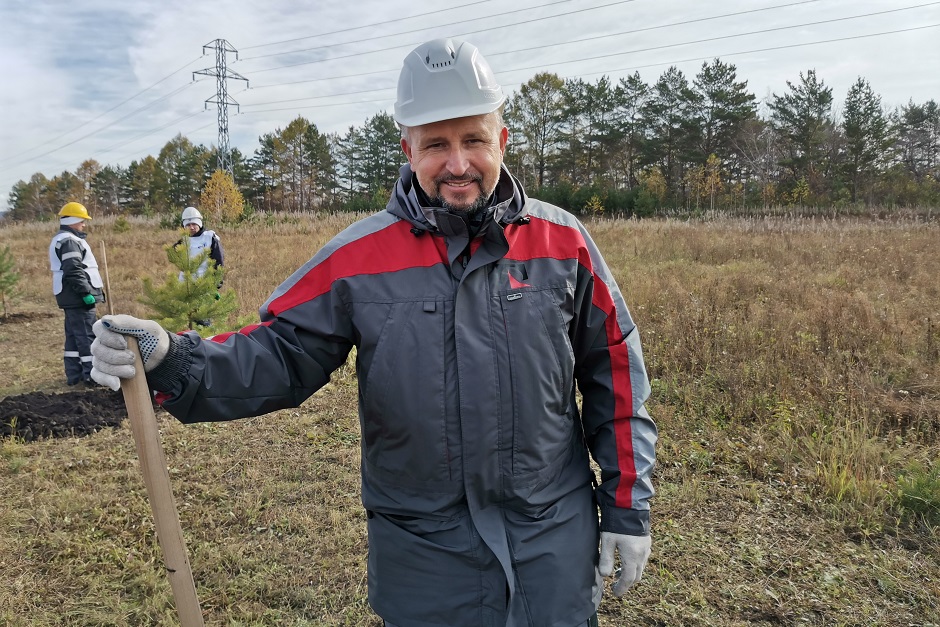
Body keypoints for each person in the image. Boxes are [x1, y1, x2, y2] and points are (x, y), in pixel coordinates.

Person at [91, 37, 656, 627]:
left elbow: (615, 374)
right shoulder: (359, 258)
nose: (458, 164)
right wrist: (174, 360)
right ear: (407, 148)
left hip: (553, 545)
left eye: (474, 140)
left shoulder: (563, 242)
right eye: (436, 144)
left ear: (502, 140)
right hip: (426, 558)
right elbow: (280, 352)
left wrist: (625, 508)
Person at [49, 201, 106, 386]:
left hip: (70, 296)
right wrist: (85, 293)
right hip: (77, 297)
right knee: (86, 336)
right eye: (82, 221)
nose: (84, 224)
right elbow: (73, 270)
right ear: (73, 220)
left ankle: (75, 375)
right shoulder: (69, 241)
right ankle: (92, 376)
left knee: (74, 338)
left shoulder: (64, 238)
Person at [174, 206, 224, 282]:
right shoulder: (183, 241)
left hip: (204, 283)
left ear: (199, 224)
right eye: (188, 225)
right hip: (185, 284)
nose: (191, 227)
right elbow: (173, 255)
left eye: (194, 224)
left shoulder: (210, 238)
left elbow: (218, 261)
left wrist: (216, 281)